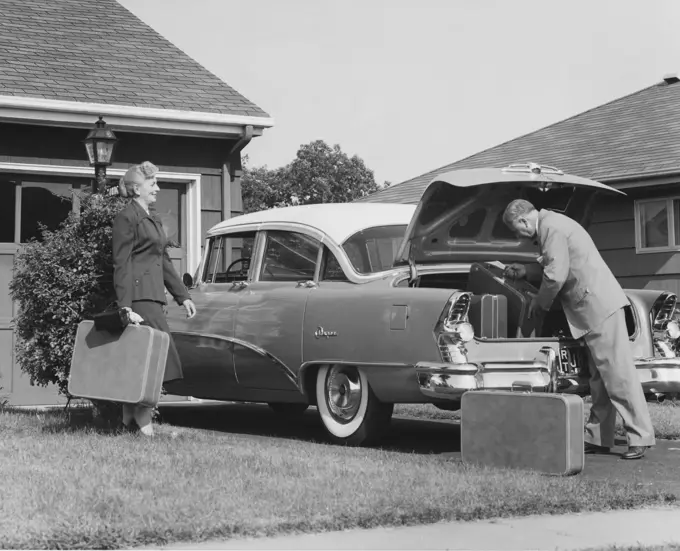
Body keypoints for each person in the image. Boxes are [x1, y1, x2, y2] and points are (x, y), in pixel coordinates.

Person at [501, 199, 655, 460]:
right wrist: (526, 270)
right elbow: (557, 265)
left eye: (517, 230)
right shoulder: (554, 224)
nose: (519, 236)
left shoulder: (552, 229)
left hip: (598, 309)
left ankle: (641, 436)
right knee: (600, 380)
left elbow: (555, 275)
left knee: (618, 376)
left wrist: (540, 304)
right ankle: (598, 437)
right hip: (595, 309)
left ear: (524, 220)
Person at [112, 161, 197, 436]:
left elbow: (163, 259)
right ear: (137, 189)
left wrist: (182, 295)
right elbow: (121, 263)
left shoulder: (153, 218)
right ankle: (143, 425)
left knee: (145, 359)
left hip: (153, 297)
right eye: (152, 184)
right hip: (138, 300)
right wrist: (125, 305)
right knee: (156, 359)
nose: (157, 188)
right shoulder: (127, 217)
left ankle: (128, 423)